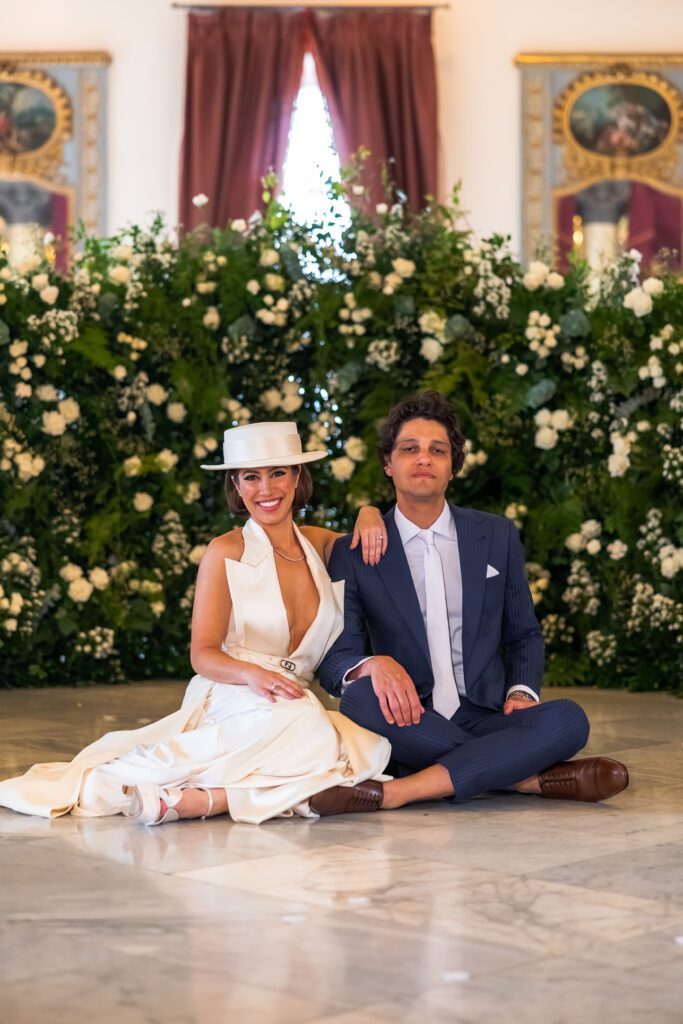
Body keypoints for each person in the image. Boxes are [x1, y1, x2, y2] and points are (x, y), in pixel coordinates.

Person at [0, 421, 397, 825]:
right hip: (233, 687)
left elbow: (360, 537)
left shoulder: (318, 543)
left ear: (297, 477)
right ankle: (246, 794)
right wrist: (252, 676)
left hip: (290, 698)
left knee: (359, 743)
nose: (266, 489)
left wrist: (368, 512)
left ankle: (203, 799)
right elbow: (202, 654)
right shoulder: (224, 551)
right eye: (251, 477)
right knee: (316, 735)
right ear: (236, 486)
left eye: (278, 472)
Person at [318, 392, 629, 807]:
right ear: (389, 464)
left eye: (437, 450)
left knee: (569, 718)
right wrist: (373, 665)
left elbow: (524, 635)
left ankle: (402, 788)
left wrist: (521, 693)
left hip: (488, 714)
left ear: (452, 467)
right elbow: (336, 658)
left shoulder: (496, 536)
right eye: (409, 449)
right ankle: (521, 776)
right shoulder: (356, 550)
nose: (423, 459)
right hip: (411, 716)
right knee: (359, 698)